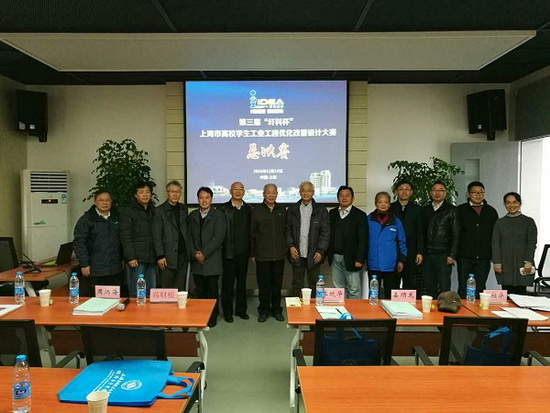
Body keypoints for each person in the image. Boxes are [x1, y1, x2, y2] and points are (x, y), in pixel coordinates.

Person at [73, 189, 123, 296]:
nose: (105, 203)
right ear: (95, 202)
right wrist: (84, 264)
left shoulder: (117, 217)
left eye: (107, 200)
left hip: (115, 268)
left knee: (115, 298)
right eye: (101, 200)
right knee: (98, 299)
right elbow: (79, 243)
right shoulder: (86, 219)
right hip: (95, 268)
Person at [285, 181, 330, 297]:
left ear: (313, 192)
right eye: (303, 191)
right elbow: (287, 230)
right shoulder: (292, 209)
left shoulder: (321, 210)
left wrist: (320, 251)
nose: (306, 193)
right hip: (296, 253)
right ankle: (296, 307)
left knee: (314, 284)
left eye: (309, 190)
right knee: (297, 284)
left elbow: (325, 233)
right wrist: (291, 246)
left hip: (314, 254)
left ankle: (314, 307)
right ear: (299, 192)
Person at [189, 187, 226, 327]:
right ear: (197, 199)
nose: (204, 200)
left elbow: (219, 237)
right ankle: (201, 316)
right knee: (200, 290)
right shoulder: (192, 215)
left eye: (207, 197)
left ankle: (212, 316)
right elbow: (188, 236)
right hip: (196, 260)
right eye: (201, 198)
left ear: (211, 199)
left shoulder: (218, 215)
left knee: (212, 291)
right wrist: (195, 253)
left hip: (212, 259)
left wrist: (204, 253)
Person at [251, 184, 287, 322]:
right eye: (268, 193)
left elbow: (286, 231)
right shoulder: (256, 210)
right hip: (262, 255)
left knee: (277, 286)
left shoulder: (282, 210)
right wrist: (253, 253)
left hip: (279, 255)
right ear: (264, 194)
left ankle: (277, 310)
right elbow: (252, 233)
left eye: (273, 193)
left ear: (277, 194)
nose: (271, 195)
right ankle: (264, 310)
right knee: (263, 286)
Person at [456, 181, 498, 298]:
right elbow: (455, 233)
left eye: (481, 192)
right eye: (474, 192)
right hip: (464, 257)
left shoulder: (491, 211)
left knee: (480, 288)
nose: (478, 195)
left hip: (484, 257)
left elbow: (495, 235)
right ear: (468, 194)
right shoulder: (460, 210)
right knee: (463, 287)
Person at [219, 181, 252, 323]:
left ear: (244, 192)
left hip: (243, 253)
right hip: (228, 253)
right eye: (235, 189)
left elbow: (251, 232)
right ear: (230, 191)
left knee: (241, 283)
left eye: (240, 189)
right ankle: (227, 313)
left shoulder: (249, 209)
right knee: (227, 284)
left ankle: (241, 310)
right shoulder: (223, 209)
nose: (238, 191)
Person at [492, 192, 538, 295]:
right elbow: (495, 244)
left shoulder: (528, 222)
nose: (511, 205)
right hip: (505, 264)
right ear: (505, 204)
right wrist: (497, 262)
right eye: (508, 203)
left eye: (514, 202)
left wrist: (528, 261)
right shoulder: (500, 223)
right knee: (507, 295)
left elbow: (532, 243)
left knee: (521, 295)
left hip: (523, 264)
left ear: (520, 204)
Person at [421, 181, 459, 298]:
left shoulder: (451, 210)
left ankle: (445, 307)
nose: (437, 193)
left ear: (445, 193)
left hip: (444, 254)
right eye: (434, 190)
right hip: (427, 254)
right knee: (429, 286)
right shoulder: (425, 209)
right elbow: (421, 233)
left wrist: (452, 255)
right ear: (430, 192)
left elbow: (456, 234)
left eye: (441, 190)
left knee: (444, 286)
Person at [327, 185, 366, 299]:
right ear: (337, 198)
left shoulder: (360, 215)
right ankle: (341, 310)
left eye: (347, 195)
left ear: (353, 198)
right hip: (335, 257)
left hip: (352, 258)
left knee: (354, 289)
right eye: (341, 195)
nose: (344, 198)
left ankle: (353, 311)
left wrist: (360, 258)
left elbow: (363, 238)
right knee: (339, 289)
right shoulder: (332, 213)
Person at [366, 192, 407, 299]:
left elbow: (402, 241)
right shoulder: (369, 219)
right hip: (373, 263)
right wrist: (364, 259)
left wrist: (401, 260)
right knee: (373, 294)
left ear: (389, 204)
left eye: (386, 202)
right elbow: (364, 241)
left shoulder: (396, 221)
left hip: (391, 264)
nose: (383, 204)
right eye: (380, 202)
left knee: (391, 295)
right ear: (375, 203)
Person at [120, 182, 156, 297]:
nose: (145, 195)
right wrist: (130, 256)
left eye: (147, 192)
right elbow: (125, 235)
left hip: (151, 257)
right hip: (136, 259)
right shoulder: (128, 211)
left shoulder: (154, 210)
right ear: (135, 195)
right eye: (141, 192)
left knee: (151, 291)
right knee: (137, 292)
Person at [153, 180, 191, 291]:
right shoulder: (159, 211)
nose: (175, 194)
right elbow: (156, 235)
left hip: (183, 255)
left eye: (178, 192)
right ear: (167, 193)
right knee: (168, 290)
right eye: (172, 191)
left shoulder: (184, 209)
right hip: (167, 256)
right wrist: (160, 256)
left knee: (181, 289)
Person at [390, 180, 424, 293]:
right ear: (396, 192)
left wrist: (420, 252)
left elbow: (420, 232)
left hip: (411, 251)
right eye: (401, 189)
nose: (404, 192)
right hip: (394, 251)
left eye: (407, 189)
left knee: (410, 283)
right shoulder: (390, 208)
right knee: (393, 283)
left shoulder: (418, 209)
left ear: (411, 192)